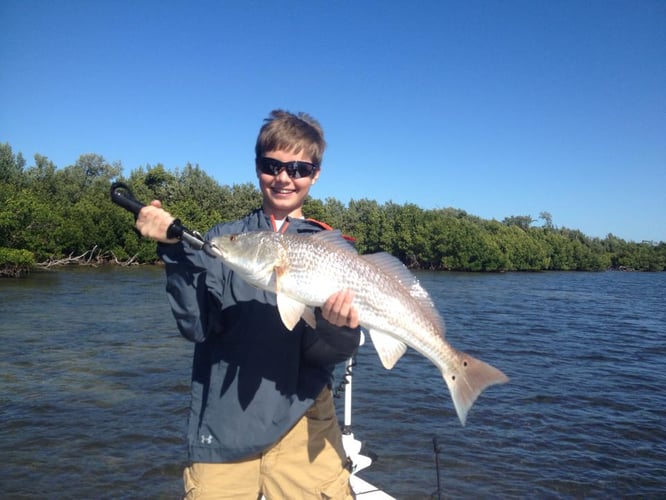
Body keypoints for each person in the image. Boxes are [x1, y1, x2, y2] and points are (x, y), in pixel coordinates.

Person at [135, 109, 361, 499]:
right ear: (257, 167)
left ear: (316, 174)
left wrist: (338, 328)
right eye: (271, 165)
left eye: (299, 168)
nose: (284, 178)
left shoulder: (333, 249)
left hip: (304, 419)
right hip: (224, 424)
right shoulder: (223, 240)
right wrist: (174, 254)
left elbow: (327, 354)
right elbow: (195, 327)